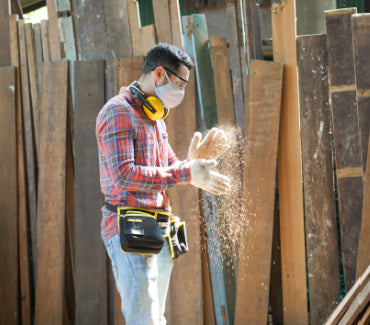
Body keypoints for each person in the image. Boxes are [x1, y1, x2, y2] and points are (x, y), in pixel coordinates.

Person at [96, 43, 231, 324]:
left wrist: (192, 162)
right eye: (179, 83)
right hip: (128, 226)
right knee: (143, 318)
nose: (181, 91)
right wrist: (187, 173)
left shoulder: (155, 117)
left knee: (156, 317)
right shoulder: (118, 112)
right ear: (159, 73)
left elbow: (168, 169)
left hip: (158, 227)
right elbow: (124, 176)